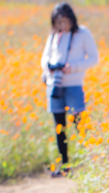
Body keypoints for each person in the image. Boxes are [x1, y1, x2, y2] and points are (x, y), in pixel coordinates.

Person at [40, 3, 99, 178]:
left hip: (74, 84)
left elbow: (94, 59)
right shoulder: (53, 36)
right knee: (59, 127)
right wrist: (48, 68)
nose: (62, 25)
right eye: (59, 22)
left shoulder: (83, 34)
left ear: (72, 19)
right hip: (55, 85)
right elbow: (44, 59)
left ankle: (90, 162)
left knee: (80, 124)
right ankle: (65, 166)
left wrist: (72, 67)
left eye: (65, 21)